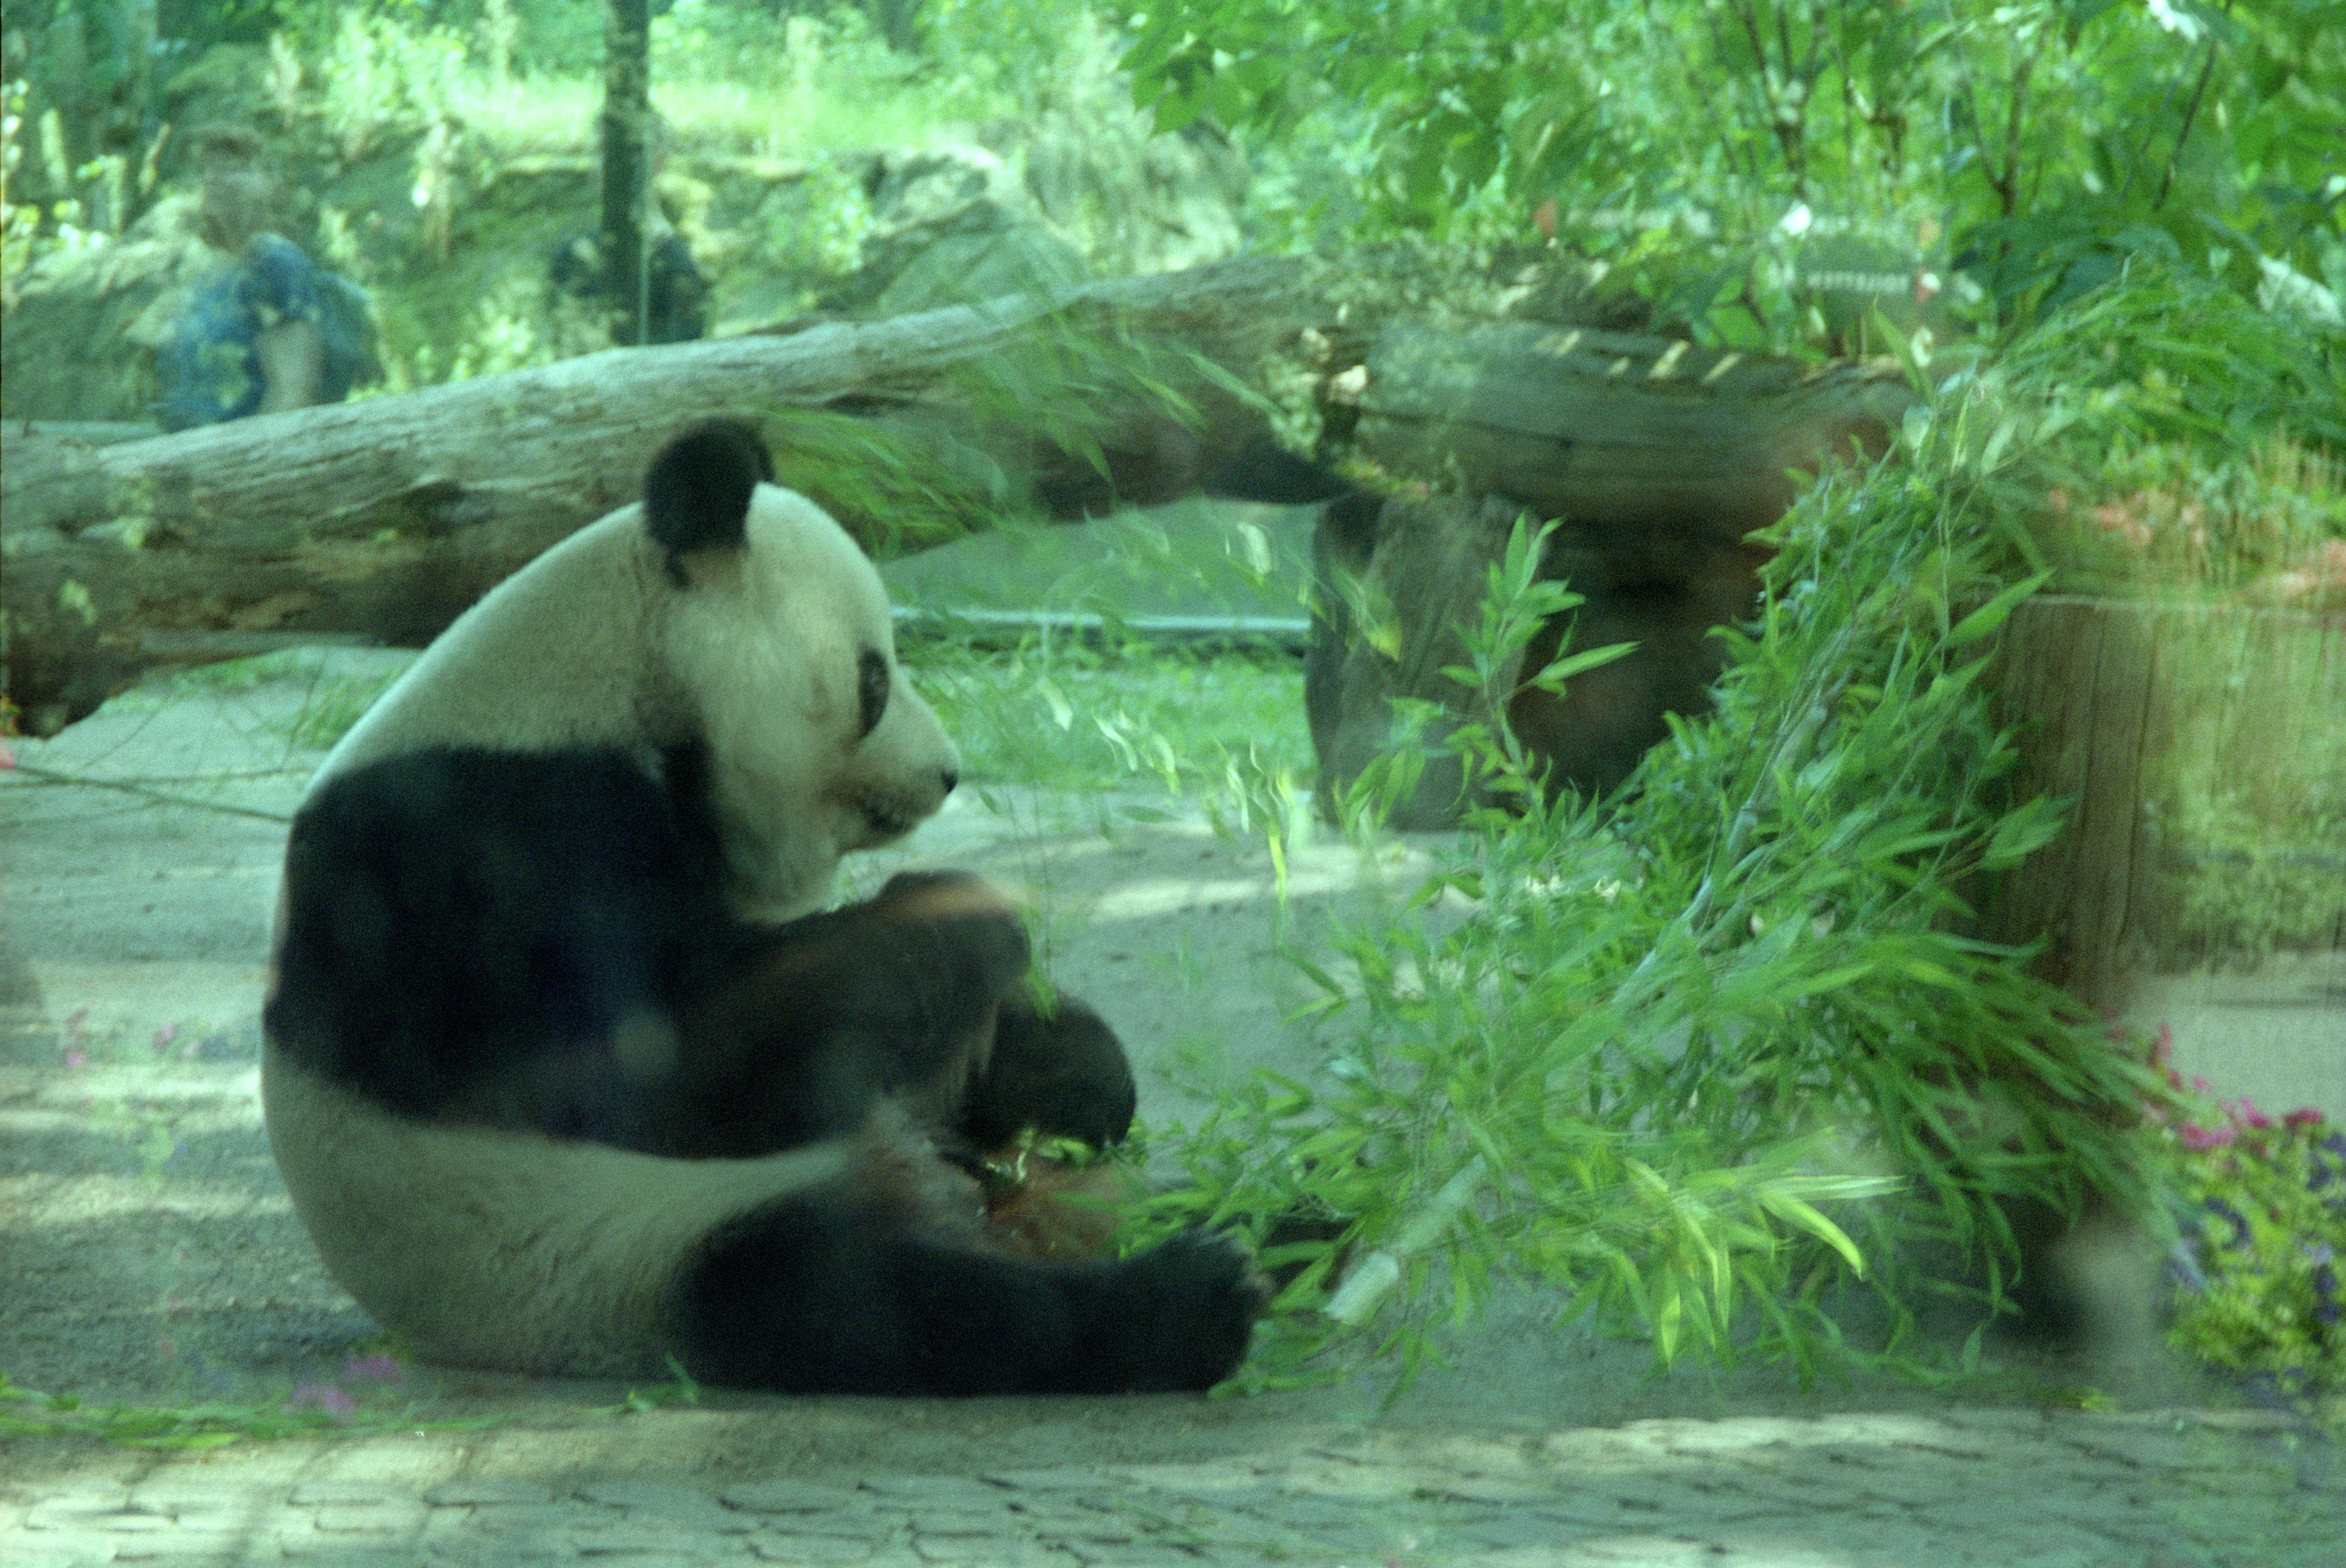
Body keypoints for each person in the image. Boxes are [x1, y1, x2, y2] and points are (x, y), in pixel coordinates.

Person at [154, 164, 379, 431]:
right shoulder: (215, 272)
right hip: (192, 450)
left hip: (234, 457)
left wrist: (248, 463)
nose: (213, 177)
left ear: (269, 184)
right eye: (208, 164)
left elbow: (293, 393)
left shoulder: (272, 264)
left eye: (232, 165)